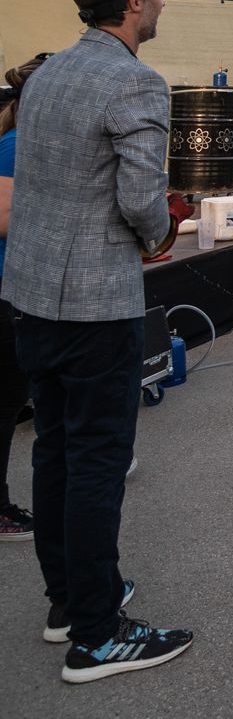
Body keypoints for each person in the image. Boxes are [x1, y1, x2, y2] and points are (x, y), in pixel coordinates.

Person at [4, 0, 195, 681]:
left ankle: (68, 603)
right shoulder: (135, 82)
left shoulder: (47, 73)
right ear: (135, 2)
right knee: (96, 464)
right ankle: (97, 635)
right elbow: (141, 204)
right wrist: (163, 230)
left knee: (55, 453)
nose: (162, 3)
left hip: (31, 301)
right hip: (94, 309)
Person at [0, 53, 48, 542]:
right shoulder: (16, 145)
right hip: (6, 290)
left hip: (18, 286)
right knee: (6, 402)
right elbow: (3, 218)